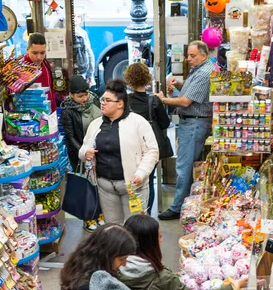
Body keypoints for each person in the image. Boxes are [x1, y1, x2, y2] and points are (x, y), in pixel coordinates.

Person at [80, 79, 159, 225]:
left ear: (120, 104)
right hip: (105, 187)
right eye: (102, 99)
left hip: (133, 186)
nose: (103, 103)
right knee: (112, 228)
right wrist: (85, 153)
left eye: (108, 100)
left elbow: (152, 151)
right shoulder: (95, 125)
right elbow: (84, 148)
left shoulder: (138, 122)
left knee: (134, 227)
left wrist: (141, 173)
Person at [157, 41, 213, 220]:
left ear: (204, 55)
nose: (188, 58)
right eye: (188, 55)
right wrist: (179, 85)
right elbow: (192, 93)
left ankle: (177, 208)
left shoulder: (204, 73)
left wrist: (163, 100)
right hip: (191, 123)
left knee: (184, 167)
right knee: (187, 166)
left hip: (194, 124)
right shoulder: (198, 69)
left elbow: (185, 101)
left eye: (192, 55)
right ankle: (186, 205)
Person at [59, 224, 138, 290]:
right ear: (107, 255)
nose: (124, 264)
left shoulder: (78, 267)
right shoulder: (87, 289)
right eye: (121, 259)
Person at [124, 62, 172, 214]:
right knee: (148, 181)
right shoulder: (154, 100)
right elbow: (165, 123)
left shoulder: (125, 101)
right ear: (147, 79)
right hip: (149, 147)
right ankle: (146, 214)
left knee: (130, 180)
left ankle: (131, 213)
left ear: (129, 80)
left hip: (130, 145)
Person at [60, 75, 100, 170]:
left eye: (86, 94)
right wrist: (84, 152)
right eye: (80, 96)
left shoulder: (94, 100)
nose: (85, 98)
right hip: (82, 153)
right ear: (71, 95)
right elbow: (70, 137)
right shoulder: (67, 112)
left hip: (100, 149)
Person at [24, 32, 59, 112]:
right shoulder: (21, 69)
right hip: (31, 116)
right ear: (27, 49)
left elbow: (51, 91)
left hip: (49, 113)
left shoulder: (46, 64)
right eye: (35, 53)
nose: (39, 57)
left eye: (42, 53)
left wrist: (53, 110)